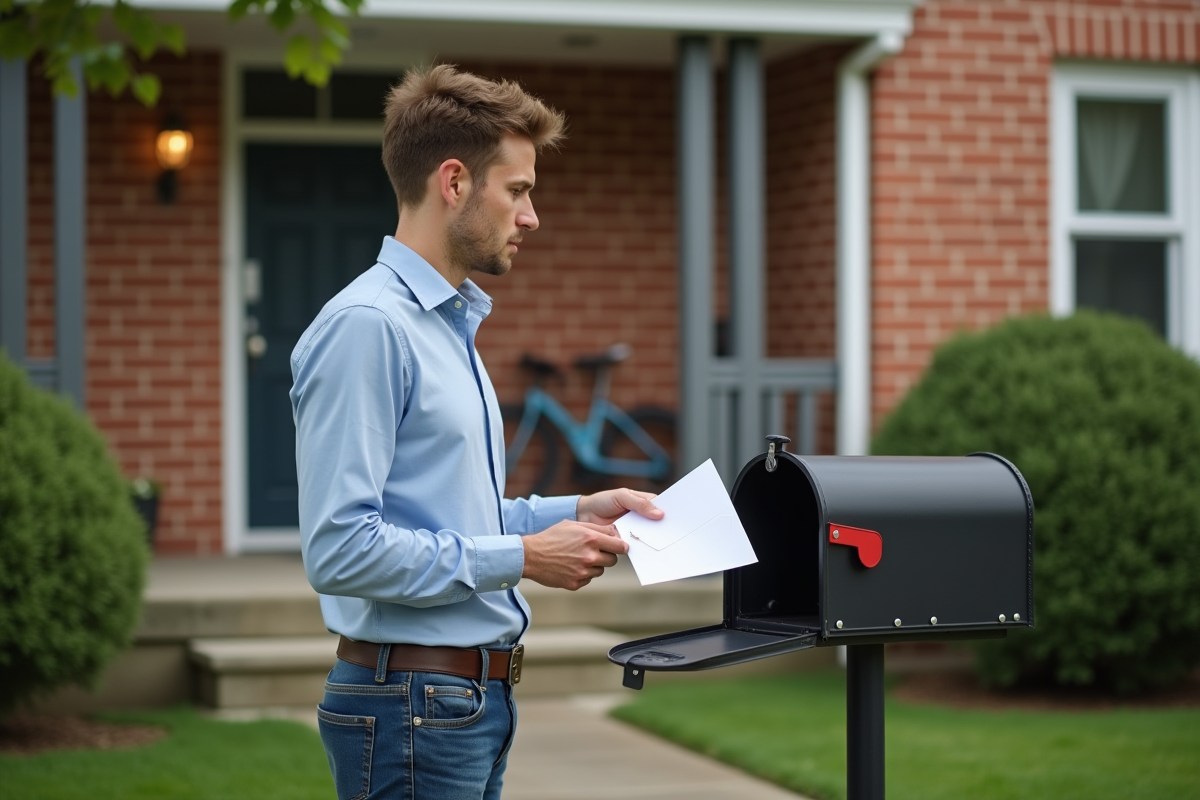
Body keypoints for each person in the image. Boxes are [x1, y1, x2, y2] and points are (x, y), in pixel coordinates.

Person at [289, 64, 663, 800]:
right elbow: (340, 550)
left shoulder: (445, 325)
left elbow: (446, 517)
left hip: (458, 708)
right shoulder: (371, 328)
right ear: (454, 183)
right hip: (412, 707)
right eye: (518, 190)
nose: (531, 216)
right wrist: (523, 556)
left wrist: (573, 512)